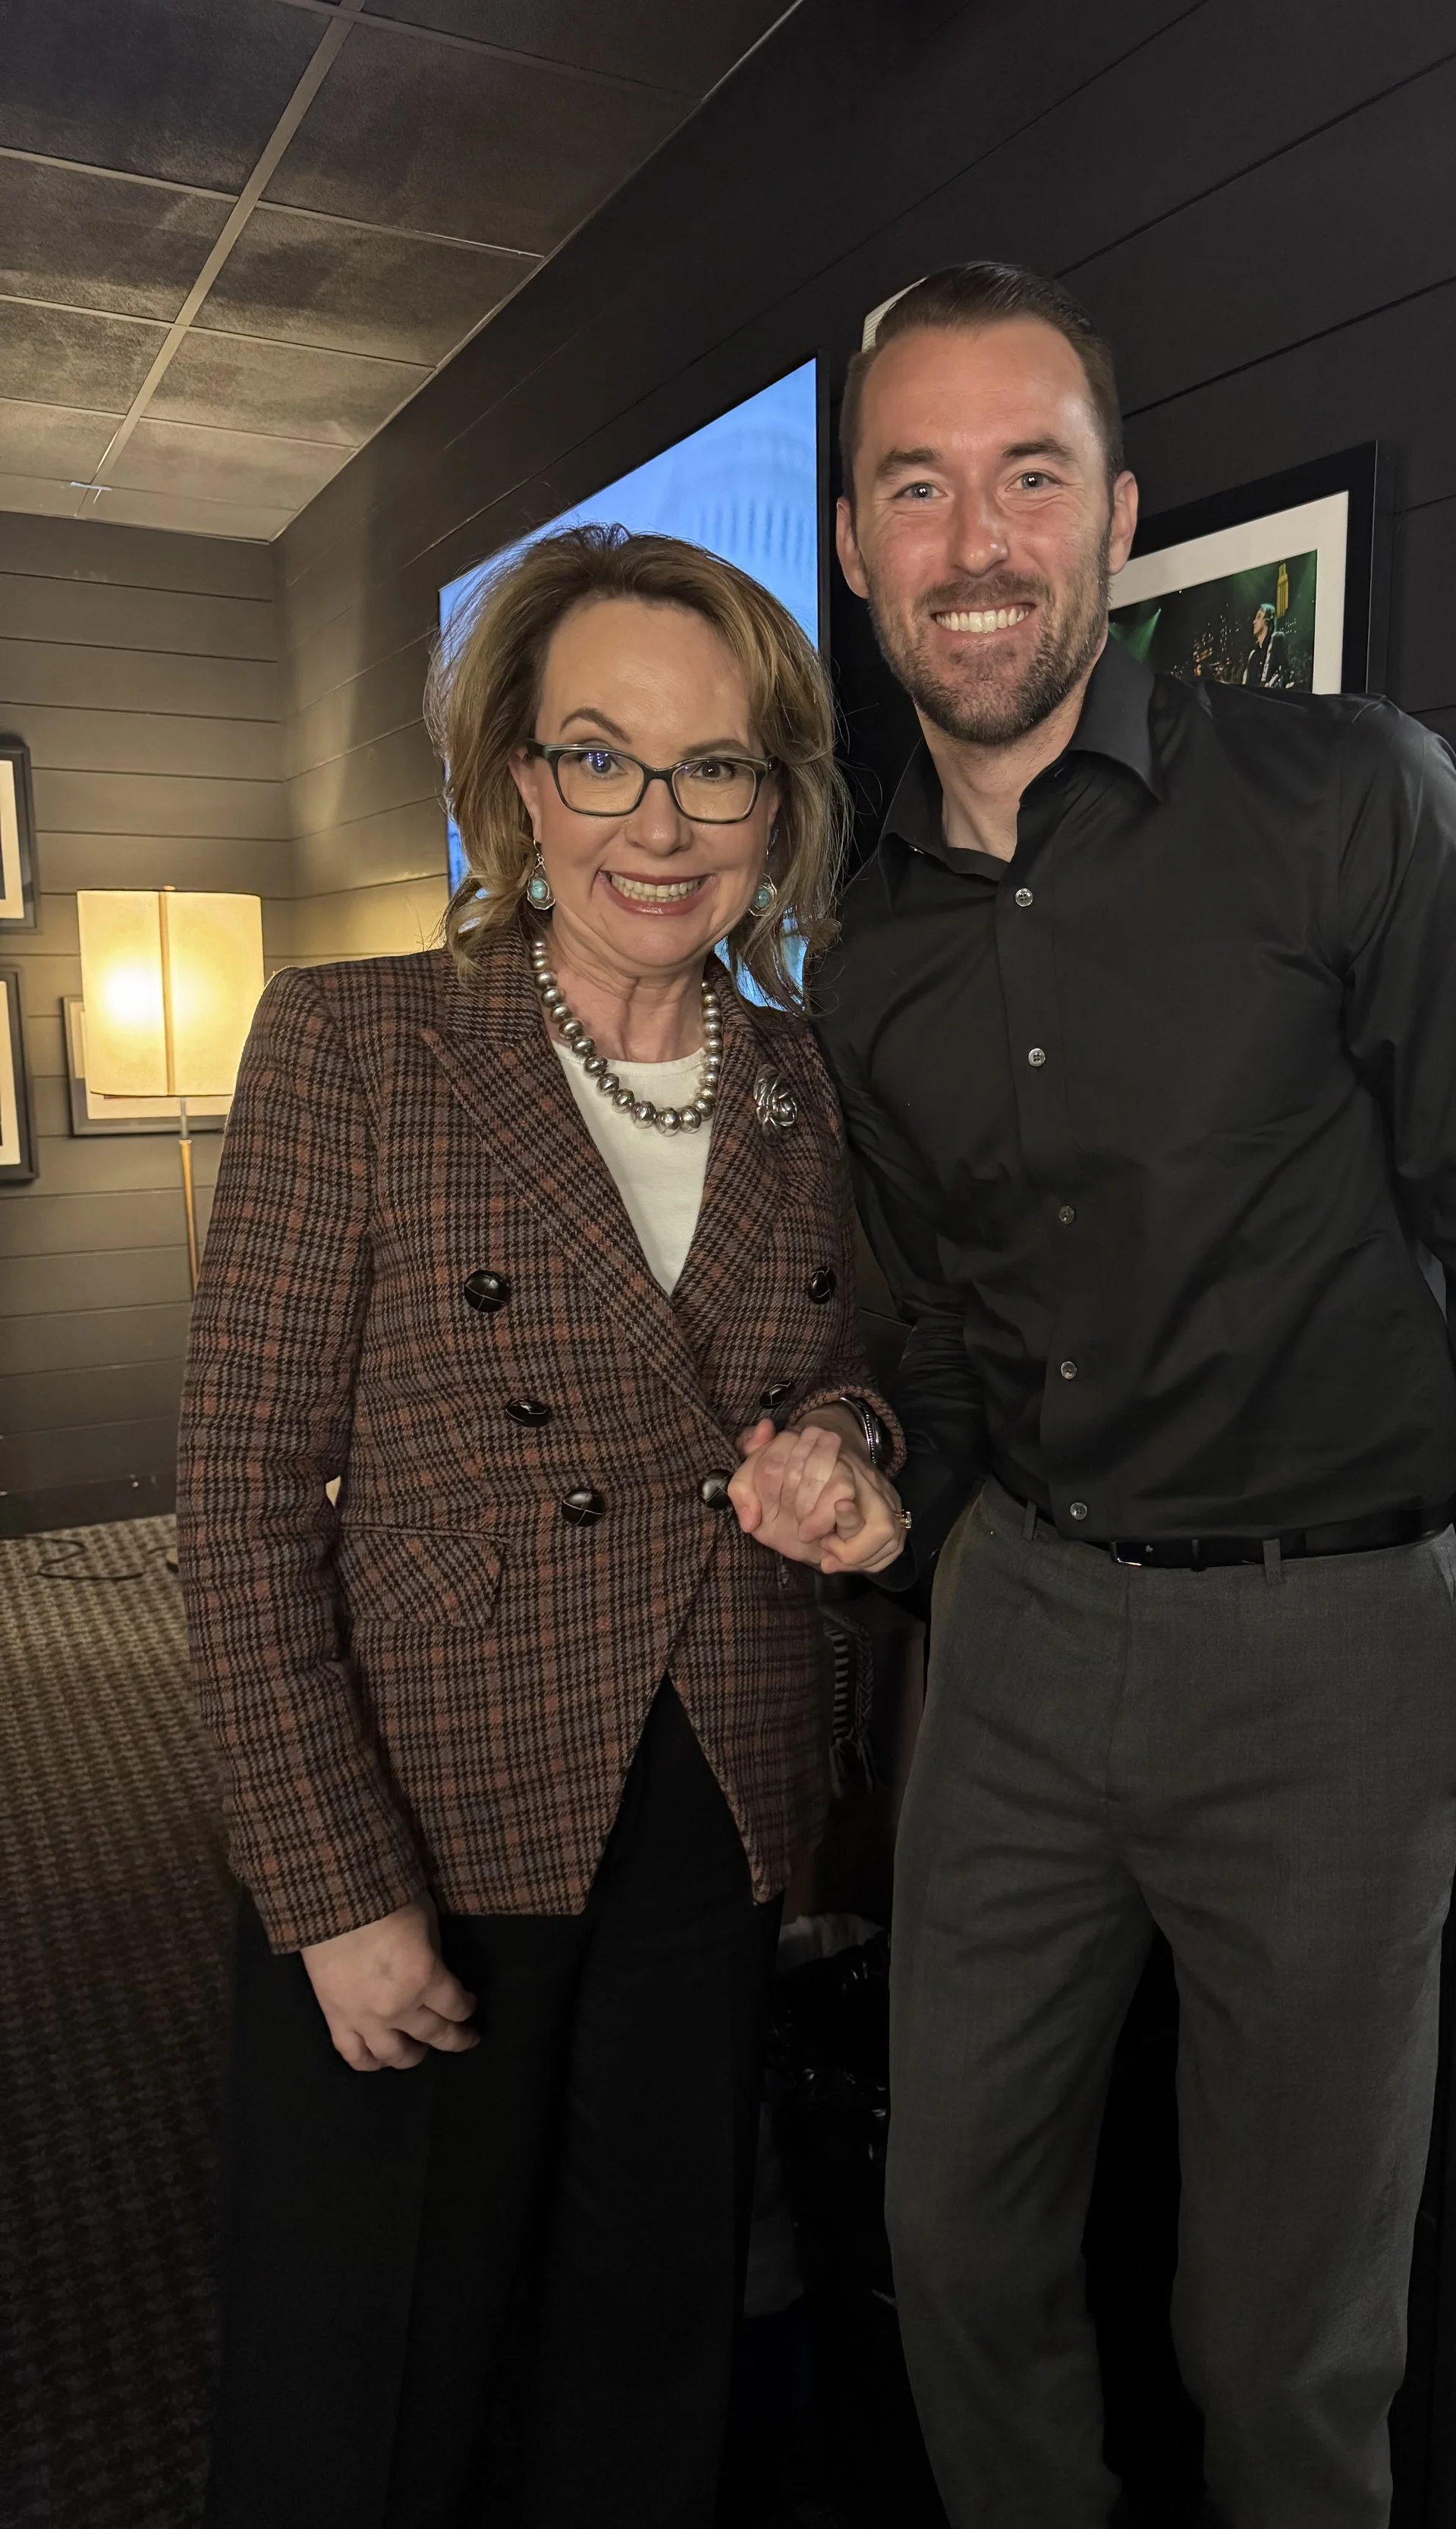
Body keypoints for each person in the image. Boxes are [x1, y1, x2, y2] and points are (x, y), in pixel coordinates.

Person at [800, 263, 1456, 2529]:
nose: (975, 538)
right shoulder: (855, 938)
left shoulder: (1349, 800)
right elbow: (960, 1343)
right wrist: (880, 1463)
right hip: (1017, 1634)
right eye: (918, 483)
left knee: (1280, 2344)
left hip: (1335, 1660)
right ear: (861, 538)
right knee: (950, 2244)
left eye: (1027, 475)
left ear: (1115, 516)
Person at [175, 527, 907, 2529]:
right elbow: (236, 1509)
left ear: (777, 798)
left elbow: (851, 1369)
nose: (657, 824)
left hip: (721, 1798)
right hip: (427, 1799)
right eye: (602, 755)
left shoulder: (801, 1092)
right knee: (361, 2374)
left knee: (651, 2345)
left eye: (717, 766)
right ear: (518, 778)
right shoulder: (355, 1046)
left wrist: (848, 1449)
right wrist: (327, 1885)